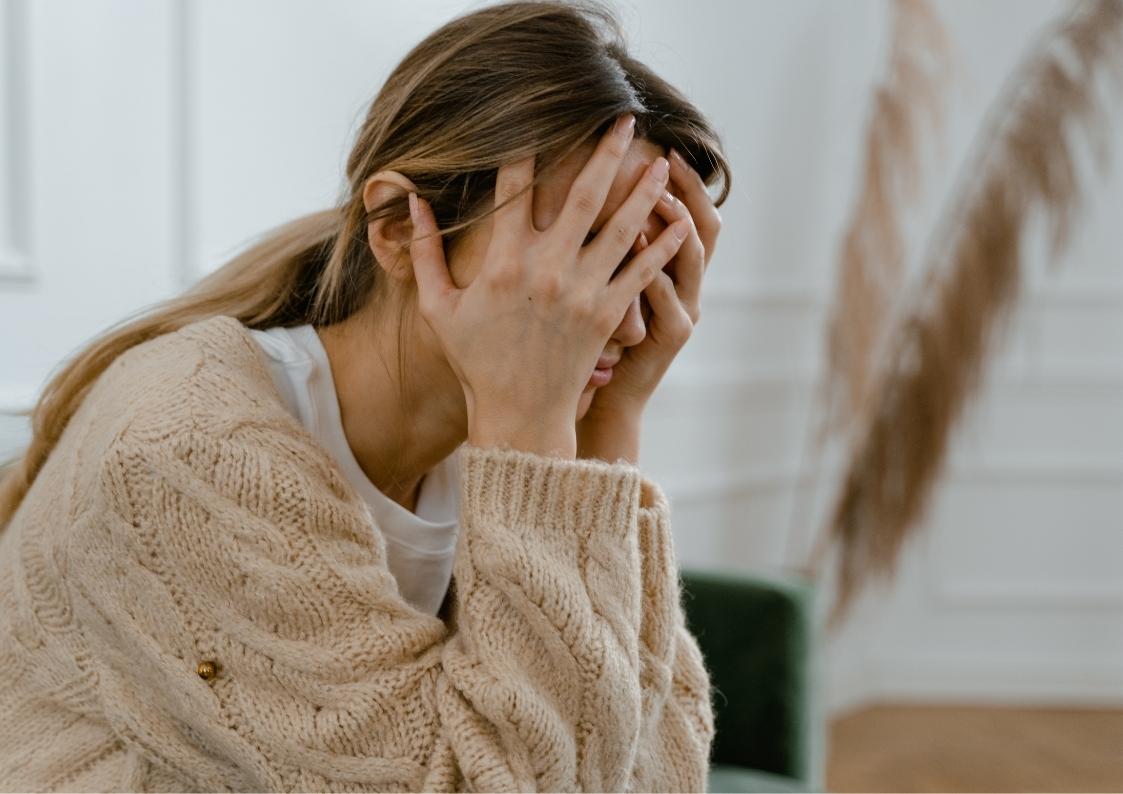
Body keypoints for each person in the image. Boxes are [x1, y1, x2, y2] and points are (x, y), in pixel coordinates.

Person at [0, 0, 731, 790]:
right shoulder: (190, 451)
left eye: (646, 257)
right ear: (397, 232)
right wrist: (540, 440)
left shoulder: (515, 428)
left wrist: (609, 426)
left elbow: (648, 774)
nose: (615, 316)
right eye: (578, 248)